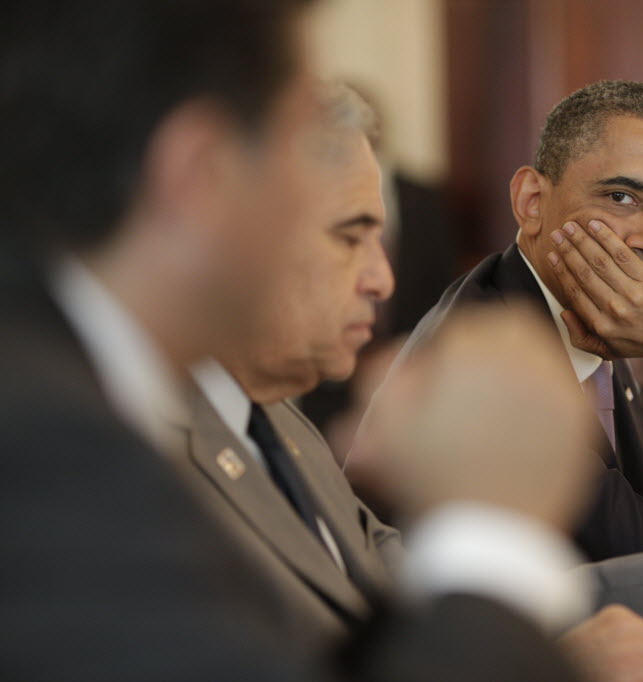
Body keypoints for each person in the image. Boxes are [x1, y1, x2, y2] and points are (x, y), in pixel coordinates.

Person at [0, 2, 599, 680]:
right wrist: (493, 522)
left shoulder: (84, 396)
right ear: (199, 175)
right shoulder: (42, 448)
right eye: (291, 170)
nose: (382, 278)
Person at [183, 85, 643, 682]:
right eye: (622, 197)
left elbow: (400, 590)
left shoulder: (282, 423)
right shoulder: (487, 359)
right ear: (532, 202)